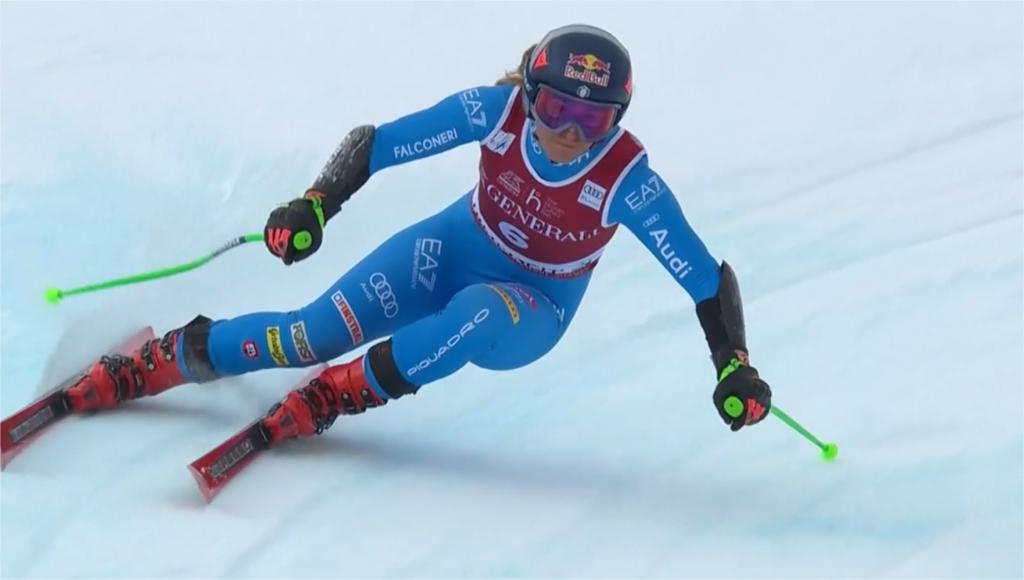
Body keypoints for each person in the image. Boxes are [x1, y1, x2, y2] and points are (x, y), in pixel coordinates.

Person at [64, 24, 772, 443]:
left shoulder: (627, 180)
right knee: (307, 334)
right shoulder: (494, 112)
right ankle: (164, 360)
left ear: (617, 120)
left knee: (478, 311)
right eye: (557, 108)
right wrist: (315, 204)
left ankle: (342, 392)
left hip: (532, 309)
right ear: (530, 94)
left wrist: (733, 364)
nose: (567, 133)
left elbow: (705, 280)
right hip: (451, 249)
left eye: (592, 120)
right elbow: (377, 143)